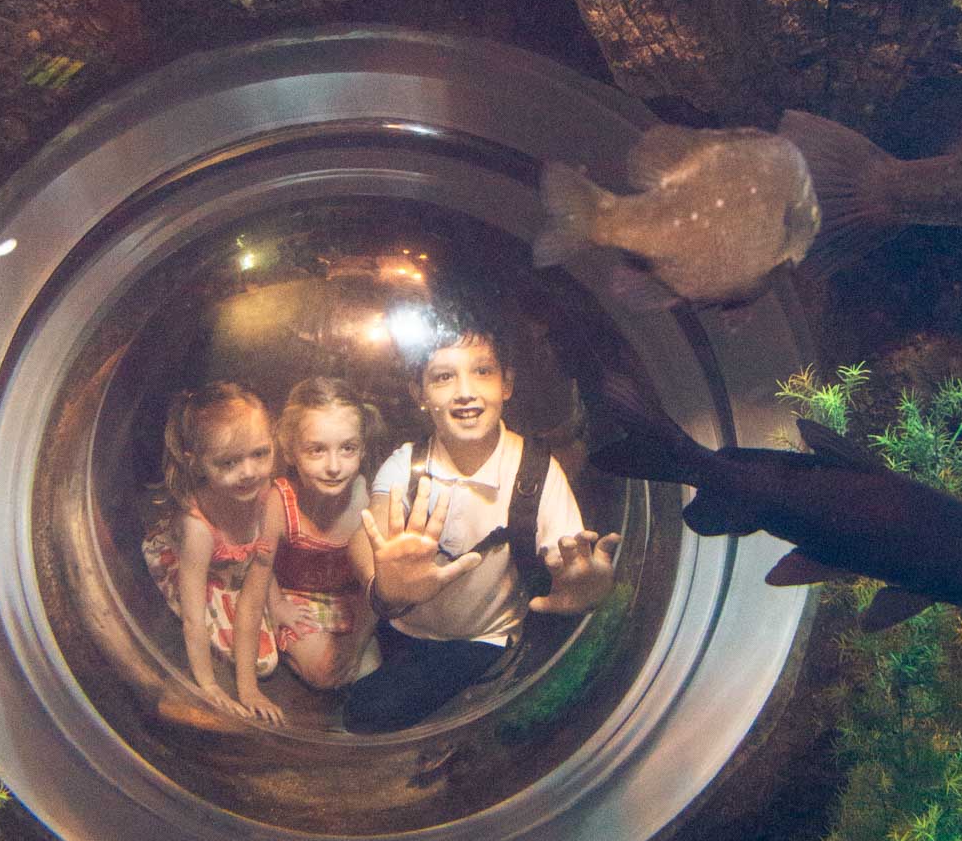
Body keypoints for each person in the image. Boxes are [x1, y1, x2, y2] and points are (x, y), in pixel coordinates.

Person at [342, 300, 620, 733]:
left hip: (483, 640)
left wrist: (586, 588)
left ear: (507, 384)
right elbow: (366, 536)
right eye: (443, 376)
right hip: (403, 629)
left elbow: (570, 558)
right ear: (419, 394)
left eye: (482, 372)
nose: (465, 391)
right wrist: (385, 587)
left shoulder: (535, 471)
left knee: (367, 711)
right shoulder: (406, 466)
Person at [233, 377, 382, 725]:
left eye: (348, 449)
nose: (334, 466)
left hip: (350, 598)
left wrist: (358, 643)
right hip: (296, 596)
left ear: (362, 447)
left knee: (366, 668)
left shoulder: (368, 497)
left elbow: (378, 587)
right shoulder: (277, 502)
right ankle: (286, 648)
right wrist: (248, 689)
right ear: (289, 452)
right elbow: (256, 584)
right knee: (325, 671)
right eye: (316, 450)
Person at [142, 380, 282, 715]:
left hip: (233, 566)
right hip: (192, 560)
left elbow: (257, 585)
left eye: (260, 453)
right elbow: (193, 619)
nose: (249, 472)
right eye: (228, 462)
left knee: (265, 662)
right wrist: (209, 686)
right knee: (213, 634)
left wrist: (248, 690)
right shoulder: (198, 528)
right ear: (197, 464)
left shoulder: (273, 500)